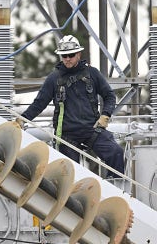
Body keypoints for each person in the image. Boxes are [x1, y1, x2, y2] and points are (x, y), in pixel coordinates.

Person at [18, 35, 124, 178]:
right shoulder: (54, 79)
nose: (67, 59)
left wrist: (105, 115)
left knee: (116, 152)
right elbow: (39, 104)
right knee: (70, 174)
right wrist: (22, 119)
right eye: (64, 56)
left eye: (71, 55)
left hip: (92, 130)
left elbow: (109, 96)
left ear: (78, 54)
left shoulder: (92, 74)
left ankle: (116, 190)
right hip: (67, 136)